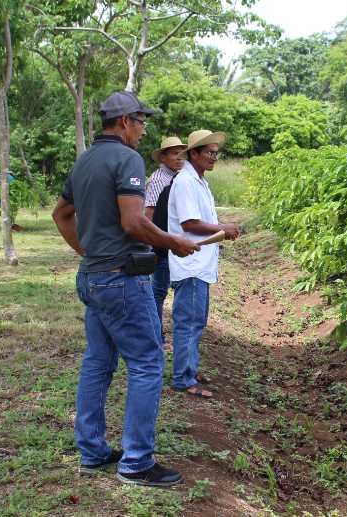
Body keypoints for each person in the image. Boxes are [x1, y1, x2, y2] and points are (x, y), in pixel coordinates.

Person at [51, 91, 199, 487]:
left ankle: (92, 451)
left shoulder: (84, 161)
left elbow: (61, 214)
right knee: (148, 362)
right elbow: (134, 222)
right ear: (123, 122)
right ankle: (136, 462)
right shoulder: (126, 159)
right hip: (120, 279)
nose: (142, 131)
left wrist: (88, 251)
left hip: (92, 275)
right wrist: (174, 241)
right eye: (140, 123)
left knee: (98, 362)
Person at [167, 129, 240, 398]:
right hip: (191, 265)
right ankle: (183, 378)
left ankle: (188, 370)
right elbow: (190, 224)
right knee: (189, 322)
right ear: (194, 154)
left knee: (196, 321)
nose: (214, 157)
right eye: (209, 152)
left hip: (199, 264)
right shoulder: (186, 182)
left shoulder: (199, 181)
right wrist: (223, 227)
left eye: (216, 153)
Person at [144, 137, 187, 350]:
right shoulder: (158, 180)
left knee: (163, 289)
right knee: (158, 291)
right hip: (161, 244)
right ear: (163, 157)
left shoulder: (177, 177)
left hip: (172, 243)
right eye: (174, 154)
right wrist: (154, 244)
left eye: (182, 153)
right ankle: (155, 337)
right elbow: (149, 214)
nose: (179, 158)